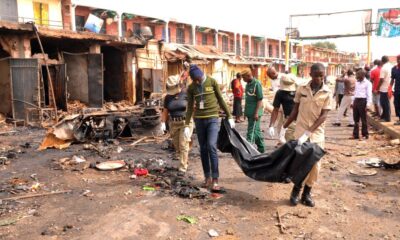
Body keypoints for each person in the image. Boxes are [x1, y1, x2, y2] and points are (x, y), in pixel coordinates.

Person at [282, 63, 332, 207]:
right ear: (310, 75)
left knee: (315, 165)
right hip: (300, 131)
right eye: (316, 75)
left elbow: (324, 116)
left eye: (321, 75)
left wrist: (309, 132)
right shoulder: (301, 89)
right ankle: (296, 191)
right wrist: (284, 127)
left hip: (316, 134)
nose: (319, 78)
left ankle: (307, 193)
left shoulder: (327, 92)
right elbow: (294, 110)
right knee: (301, 162)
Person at [184, 64, 235, 192]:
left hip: (212, 119)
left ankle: (215, 179)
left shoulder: (212, 82)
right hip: (199, 120)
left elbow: (221, 99)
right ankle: (207, 177)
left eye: (198, 79)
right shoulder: (191, 88)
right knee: (203, 148)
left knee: (212, 146)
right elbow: (190, 106)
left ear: (202, 75)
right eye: (194, 80)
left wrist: (229, 115)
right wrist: (186, 124)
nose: (197, 82)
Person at [160, 75, 193, 175]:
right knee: (177, 146)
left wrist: (188, 123)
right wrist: (162, 123)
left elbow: (192, 108)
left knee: (183, 145)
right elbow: (165, 111)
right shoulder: (167, 97)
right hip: (174, 123)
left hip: (185, 122)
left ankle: (183, 167)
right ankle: (185, 159)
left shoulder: (186, 93)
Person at [267, 67, 297, 143]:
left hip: (300, 120)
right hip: (287, 117)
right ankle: (282, 140)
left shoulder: (299, 92)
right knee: (290, 143)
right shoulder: (280, 93)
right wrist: (271, 126)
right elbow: (275, 109)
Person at [242, 69, 265, 153]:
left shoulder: (257, 84)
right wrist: (245, 112)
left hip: (255, 113)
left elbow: (260, 99)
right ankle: (261, 149)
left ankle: (248, 150)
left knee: (251, 132)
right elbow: (248, 99)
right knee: (256, 131)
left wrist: (256, 113)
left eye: (243, 78)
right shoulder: (247, 85)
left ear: (248, 76)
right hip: (249, 112)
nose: (243, 79)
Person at [351, 69, 372, 140]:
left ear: (362, 75)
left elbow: (369, 95)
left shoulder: (368, 83)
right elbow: (355, 92)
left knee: (363, 119)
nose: (356, 76)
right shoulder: (357, 82)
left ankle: (365, 134)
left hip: (363, 101)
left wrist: (368, 105)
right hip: (356, 100)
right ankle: (355, 134)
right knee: (355, 119)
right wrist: (352, 102)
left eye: (358, 75)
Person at [378, 56, 392, 122]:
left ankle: (387, 118)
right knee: (385, 103)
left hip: (384, 88)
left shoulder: (383, 68)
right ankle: (384, 116)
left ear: (382, 61)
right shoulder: (391, 66)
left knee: (384, 103)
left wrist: (377, 88)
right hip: (390, 87)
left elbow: (381, 79)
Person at [391, 55, 400, 125]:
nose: (399, 60)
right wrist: (390, 88)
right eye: (398, 59)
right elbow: (392, 79)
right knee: (396, 104)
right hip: (397, 90)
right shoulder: (394, 68)